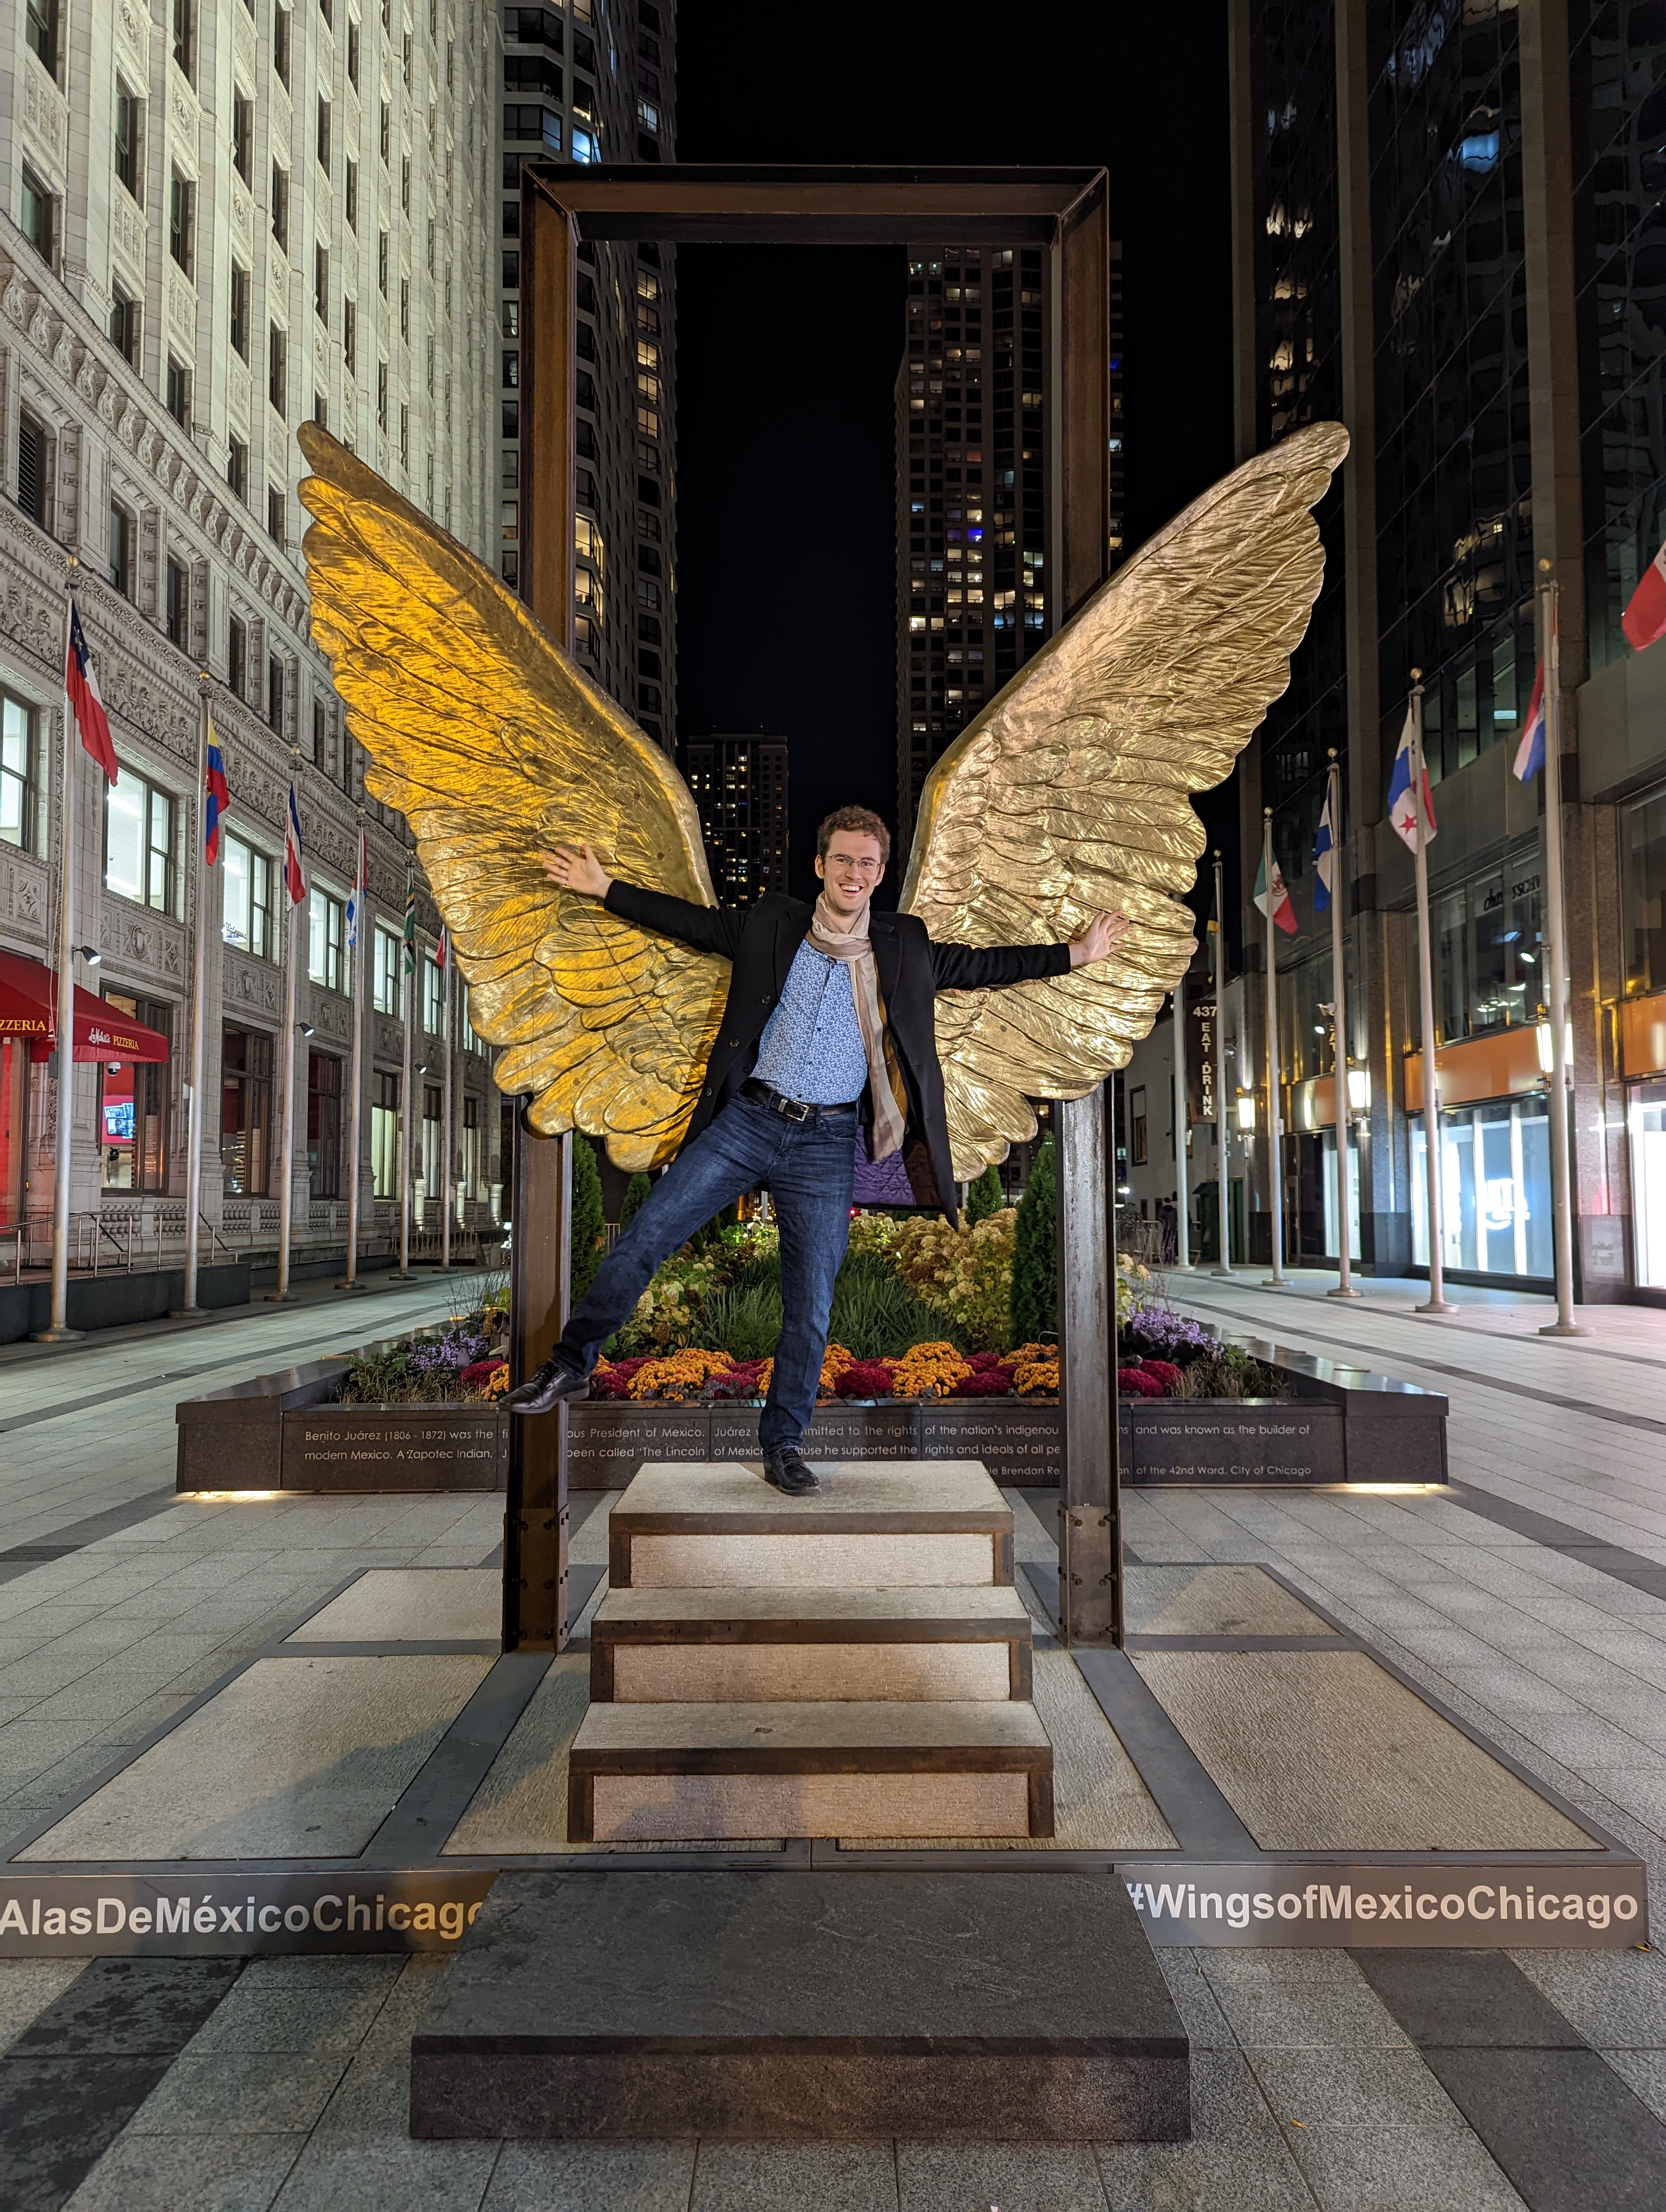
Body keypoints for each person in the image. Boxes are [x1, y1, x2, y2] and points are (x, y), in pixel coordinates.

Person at [504, 805, 1126, 1494]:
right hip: (748, 1121)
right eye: (842, 860)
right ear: (820, 866)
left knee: (810, 1306)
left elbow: (986, 966)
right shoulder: (773, 923)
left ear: (881, 873)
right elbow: (693, 923)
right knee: (645, 1236)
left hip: (826, 1143)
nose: (854, 872)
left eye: (867, 862)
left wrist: (1078, 954)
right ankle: (569, 1364)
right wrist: (605, 889)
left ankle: (783, 1445)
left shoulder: (905, 943)